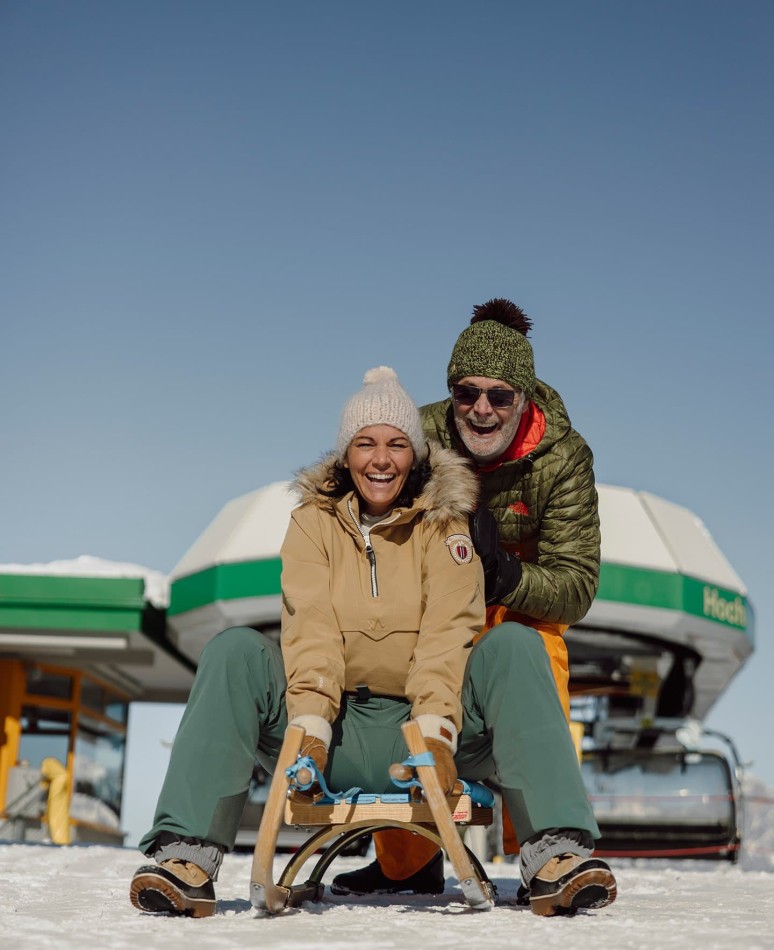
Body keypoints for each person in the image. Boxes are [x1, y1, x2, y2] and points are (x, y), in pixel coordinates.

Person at [130, 365, 615, 919]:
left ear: (415, 455)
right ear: (345, 454)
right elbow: (310, 628)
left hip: (428, 737)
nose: (380, 460)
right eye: (365, 444)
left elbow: (448, 634)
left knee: (516, 645)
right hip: (332, 734)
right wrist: (311, 728)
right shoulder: (312, 525)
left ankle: (554, 856)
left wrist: (435, 734)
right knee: (235, 650)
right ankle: (186, 858)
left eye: (396, 445)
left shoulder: (445, 524)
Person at [332, 298, 607, 905]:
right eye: (467, 392)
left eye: (499, 396)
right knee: (401, 663)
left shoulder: (563, 459)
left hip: (516, 607)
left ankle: (550, 846)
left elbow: (576, 586)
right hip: (429, 597)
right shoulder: (418, 435)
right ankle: (406, 861)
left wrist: (504, 573)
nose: (482, 409)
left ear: (523, 398)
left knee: (534, 655)